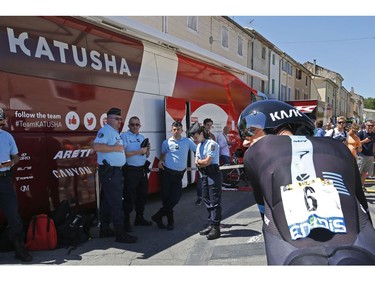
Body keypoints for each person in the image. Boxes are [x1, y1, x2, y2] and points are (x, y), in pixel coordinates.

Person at [238, 100, 375, 265]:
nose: (245, 142)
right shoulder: (340, 148)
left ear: (277, 128)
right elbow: (362, 205)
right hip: (360, 250)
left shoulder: (257, 152)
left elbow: (263, 210)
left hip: (296, 256)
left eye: (250, 132)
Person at [93, 108, 137, 243]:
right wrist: (115, 149)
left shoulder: (113, 132)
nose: (120, 121)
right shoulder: (105, 131)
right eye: (117, 119)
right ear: (109, 119)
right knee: (117, 202)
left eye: (120, 119)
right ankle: (120, 233)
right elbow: (96, 146)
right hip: (110, 172)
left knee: (107, 201)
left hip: (114, 171)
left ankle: (105, 229)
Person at [0, 108, 32, 262]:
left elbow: (16, 157)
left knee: (13, 215)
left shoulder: (7, 136)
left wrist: (11, 162)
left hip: (5, 180)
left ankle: (19, 248)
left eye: (1, 122)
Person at [152, 121, 197, 230]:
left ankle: (157, 216)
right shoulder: (166, 142)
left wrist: (199, 160)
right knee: (166, 199)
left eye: (178, 129)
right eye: (174, 129)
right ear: (171, 130)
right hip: (167, 173)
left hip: (178, 176)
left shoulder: (187, 141)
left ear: (182, 130)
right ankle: (170, 222)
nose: (176, 131)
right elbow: (162, 154)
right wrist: (161, 161)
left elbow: (197, 150)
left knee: (175, 199)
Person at [190, 125, 223, 240]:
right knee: (207, 199)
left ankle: (216, 227)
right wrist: (200, 162)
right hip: (204, 174)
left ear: (201, 134)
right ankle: (210, 223)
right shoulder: (199, 145)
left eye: (195, 137)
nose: (194, 140)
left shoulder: (212, 144)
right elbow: (197, 161)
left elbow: (207, 162)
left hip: (213, 174)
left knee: (215, 201)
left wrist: (200, 162)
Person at [121, 116, 152, 232]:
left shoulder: (142, 137)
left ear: (140, 126)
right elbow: (122, 154)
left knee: (142, 196)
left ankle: (139, 218)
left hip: (142, 171)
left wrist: (147, 150)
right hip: (130, 171)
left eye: (137, 124)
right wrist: (139, 151)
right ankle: (126, 222)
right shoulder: (124, 136)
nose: (135, 126)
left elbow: (146, 155)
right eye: (132, 124)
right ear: (129, 126)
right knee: (129, 197)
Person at [357, 120, 375, 186]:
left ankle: (362, 185)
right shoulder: (361, 133)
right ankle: (356, 186)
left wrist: (373, 156)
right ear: (365, 125)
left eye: (372, 126)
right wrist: (364, 141)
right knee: (358, 171)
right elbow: (356, 143)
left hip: (370, 156)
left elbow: (373, 145)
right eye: (369, 125)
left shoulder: (373, 134)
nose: (370, 127)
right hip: (362, 155)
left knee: (365, 172)